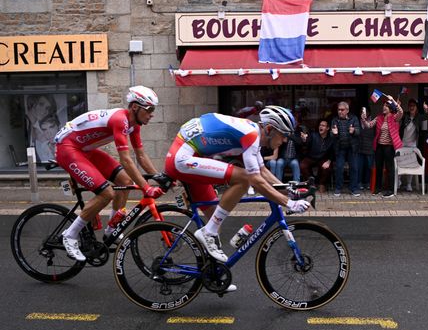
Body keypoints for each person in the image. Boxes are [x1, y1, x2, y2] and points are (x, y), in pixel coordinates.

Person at [164, 106, 310, 269]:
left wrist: (290, 191)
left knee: (214, 218)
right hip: (183, 158)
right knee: (243, 179)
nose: (284, 140)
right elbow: (255, 179)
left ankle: (212, 273)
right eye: (284, 135)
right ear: (269, 129)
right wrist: (289, 203)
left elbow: (263, 172)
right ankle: (207, 232)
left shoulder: (253, 134)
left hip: (193, 155)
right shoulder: (251, 135)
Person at [54, 86, 165, 261]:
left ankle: (112, 229)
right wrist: (146, 188)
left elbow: (141, 155)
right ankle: (69, 235)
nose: (152, 114)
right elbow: (126, 160)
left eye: (153, 110)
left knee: (125, 181)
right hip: (68, 148)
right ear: (135, 107)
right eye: (149, 109)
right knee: (107, 193)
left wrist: (159, 177)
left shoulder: (134, 125)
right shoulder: (120, 120)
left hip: (85, 149)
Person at [361, 94, 403, 198]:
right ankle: (378, 188)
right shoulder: (379, 118)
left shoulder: (395, 117)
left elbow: (401, 112)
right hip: (379, 146)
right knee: (378, 168)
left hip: (389, 147)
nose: (384, 107)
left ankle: (391, 190)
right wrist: (363, 119)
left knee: (390, 169)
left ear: (391, 108)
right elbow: (368, 125)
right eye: (383, 105)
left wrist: (392, 100)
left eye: (386, 106)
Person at [330, 101, 361, 196]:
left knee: (354, 168)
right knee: (339, 168)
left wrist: (354, 130)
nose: (340, 112)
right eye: (339, 110)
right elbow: (331, 135)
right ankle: (338, 188)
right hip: (340, 148)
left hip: (352, 148)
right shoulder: (335, 120)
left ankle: (353, 188)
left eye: (342, 110)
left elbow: (359, 131)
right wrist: (334, 134)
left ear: (347, 110)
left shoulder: (354, 118)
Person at [300, 119, 334, 193]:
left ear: (328, 128)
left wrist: (329, 161)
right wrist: (304, 140)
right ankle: (312, 182)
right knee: (303, 166)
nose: (320, 127)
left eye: (323, 125)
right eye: (320, 125)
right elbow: (307, 142)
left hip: (322, 158)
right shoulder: (313, 135)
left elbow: (333, 152)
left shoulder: (331, 139)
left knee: (327, 168)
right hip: (311, 157)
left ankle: (321, 183)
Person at [398, 98, 425, 192]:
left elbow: (426, 119)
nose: (411, 107)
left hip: (413, 144)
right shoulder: (405, 115)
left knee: (411, 164)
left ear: (416, 107)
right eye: (410, 106)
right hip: (402, 143)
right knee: (400, 162)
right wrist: (397, 106)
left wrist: (427, 111)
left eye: (413, 106)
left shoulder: (419, 117)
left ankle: (409, 184)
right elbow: (398, 116)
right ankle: (398, 181)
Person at [357, 105, 375, 191]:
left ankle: (367, 182)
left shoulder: (373, 121)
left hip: (370, 148)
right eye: (361, 112)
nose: (363, 113)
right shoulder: (357, 121)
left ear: (369, 112)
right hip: (359, 148)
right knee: (360, 166)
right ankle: (359, 182)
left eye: (365, 112)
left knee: (369, 166)